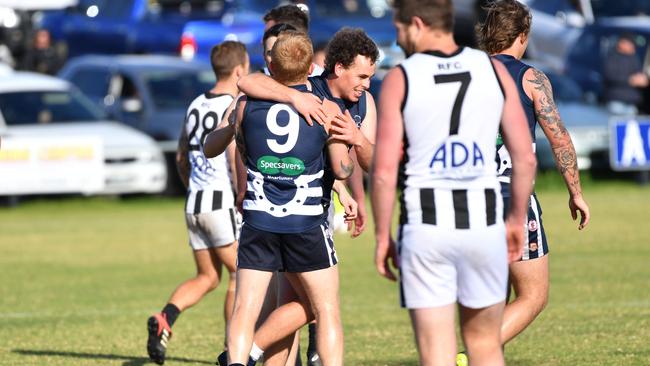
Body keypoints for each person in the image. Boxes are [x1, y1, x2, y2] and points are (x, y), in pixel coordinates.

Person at [371, 1, 538, 365]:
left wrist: (383, 236)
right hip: (484, 222)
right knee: (486, 347)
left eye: (399, 30)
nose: (399, 41)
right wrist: (515, 218)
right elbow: (525, 157)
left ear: (416, 24)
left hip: (426, 225)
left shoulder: (402, 76)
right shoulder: (493, 69)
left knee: (437, 354)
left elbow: (383, 171)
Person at [232, 27, 378, 365]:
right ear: (337, 67)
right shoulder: (313, 91)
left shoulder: (365, 103)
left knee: (299, 307)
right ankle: (250, 353)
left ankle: (243, 353)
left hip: (284, 212)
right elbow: (251, 82)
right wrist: (295, 98)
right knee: (319, 308)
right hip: (305, 216)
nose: (366, 84)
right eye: (362, 75)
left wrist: (356, 138)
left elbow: (371, 162)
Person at [474, 0, 590, 359]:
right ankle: (467, 354)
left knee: (493, 297)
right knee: (532, 296)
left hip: (464, 198)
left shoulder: (462, 73)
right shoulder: (531, 78)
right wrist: (576, 193)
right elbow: (559, 139)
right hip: (512, 197)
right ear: (522, 37)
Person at [146, 41, 249, 365]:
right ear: (239, 71)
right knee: (241, 274)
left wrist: (193, 186)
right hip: (220, 203)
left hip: (194, 203)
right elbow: (234, 157)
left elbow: (181, 156)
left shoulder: (194, 105)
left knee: (208, 277)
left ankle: (165, 318)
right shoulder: (232, 105)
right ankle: (234, 348)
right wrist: (240, 194)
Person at [603, 33, 649, 116]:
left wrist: (643, 79)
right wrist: (630, 80)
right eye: (630, 44)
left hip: (632, 103)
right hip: (616, 102)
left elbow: (638, 74)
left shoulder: (634, 59)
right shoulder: (612, 58)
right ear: (621, 43)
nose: (632, 46)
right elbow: (610, 76)